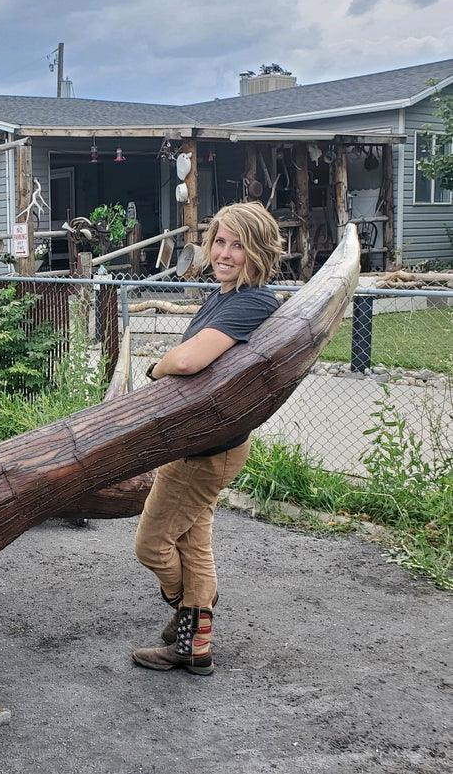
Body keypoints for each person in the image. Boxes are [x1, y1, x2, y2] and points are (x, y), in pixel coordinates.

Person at [132, 201, 282, 676]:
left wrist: (155, 368)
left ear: (258, 251)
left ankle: (192, 618)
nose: (225, 252)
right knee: (194, 543)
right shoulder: (226, 295)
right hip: (203, 443)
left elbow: (189, 360)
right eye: (220, 240)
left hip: (206, 451)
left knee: (152, 543)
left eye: (239, 244)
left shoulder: (252, 301)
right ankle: (194, 643)